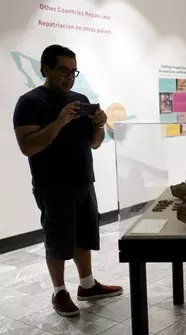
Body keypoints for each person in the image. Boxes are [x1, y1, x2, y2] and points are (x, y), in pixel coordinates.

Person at [12, 44, 123, 317]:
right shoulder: (29, 103)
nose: (69, 76)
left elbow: (94, 143)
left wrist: (99, 123)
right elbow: (27, 146)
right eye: (63, 70)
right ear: (45, 69)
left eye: (73, 71)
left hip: (84, 180)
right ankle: (59, 291)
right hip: (52, 184)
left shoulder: (80, 98)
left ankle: (87, 285)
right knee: (59, 239)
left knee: (84, 235)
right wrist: (60, 121)